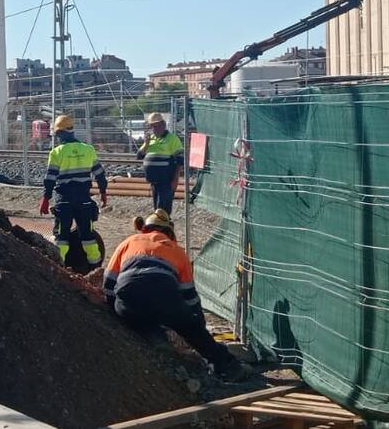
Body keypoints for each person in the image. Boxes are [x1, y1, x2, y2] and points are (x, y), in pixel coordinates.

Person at [104, 209, 246, 379]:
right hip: (166, 297)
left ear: (145, 229)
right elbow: (190, 297)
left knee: (132, 313)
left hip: (129, 295)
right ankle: (227, 366)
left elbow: (109, 281)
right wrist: (196, 324)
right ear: (169, 232)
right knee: (189, 328)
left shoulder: (128, 242)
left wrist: (113, 310)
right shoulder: (178, 251)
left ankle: (155, 336)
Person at [40, 114, 108, 268]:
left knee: (61, 237)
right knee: (88, 237)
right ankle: (96, 270)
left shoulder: (57, 152)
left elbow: (50, 178)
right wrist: (103, 193)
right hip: (83, 199)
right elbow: (100, 175)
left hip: (64, 200)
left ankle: (59, 269)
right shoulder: (88, 150)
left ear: (59, 133)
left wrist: (45, 199)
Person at [136, 112, 184, 214]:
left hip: (166, 182)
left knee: (162, 212)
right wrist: (146, 144)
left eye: (157, 126)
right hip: (154, 183)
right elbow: (139, 156)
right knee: (157, 210)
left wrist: (175, 179)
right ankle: (159, 229)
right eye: (152, 126)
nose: (155, 128)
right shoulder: (150, 139)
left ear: (163, 125)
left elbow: (180, 161)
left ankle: (164, 229)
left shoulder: (172, 139)